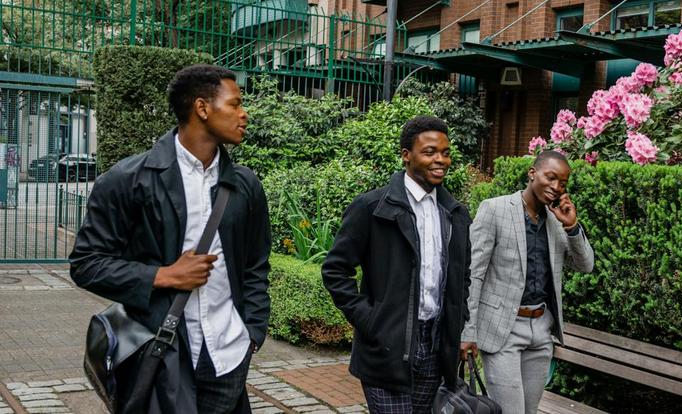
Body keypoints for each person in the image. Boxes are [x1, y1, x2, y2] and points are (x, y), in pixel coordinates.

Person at [70, 64, 272, 414]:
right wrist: (163, 276)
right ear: (202, 108)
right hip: (159, 352)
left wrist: (252, 332)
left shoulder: (245, 185)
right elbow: (86, 264)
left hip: (228, 353)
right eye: (235, 104)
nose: (244, 114)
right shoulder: (127, 180)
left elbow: (255, 264)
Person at [322, 116, 472, 413]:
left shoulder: (455, 213)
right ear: (406, 155)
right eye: (429, 152)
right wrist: (371, 321)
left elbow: (462, 275)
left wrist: (458, 322)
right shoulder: (372, 207)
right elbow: (335, 270)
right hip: (387, 349)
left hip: (436, 349)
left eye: (445, 152)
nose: (440, 160)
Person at [460, 150, 594, 414]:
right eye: (551, 177)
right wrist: (468, 331)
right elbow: (473, 275)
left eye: (563, 184)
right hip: (503, 330)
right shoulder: (495, 209)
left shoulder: (557, 222)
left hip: (542, 331)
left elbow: (585, 265)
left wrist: (572, 226)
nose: (556, 188)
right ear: (532, 173)